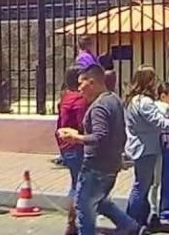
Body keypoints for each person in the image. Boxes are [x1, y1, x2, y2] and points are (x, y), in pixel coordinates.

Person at [57, 64, 143, 235]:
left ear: (92, 82)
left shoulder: (99, 107)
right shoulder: (114, 100)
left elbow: (100, 137)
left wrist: (76, 138)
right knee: (100, 200)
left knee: (84, 208)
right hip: (111, 164)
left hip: (96, 166)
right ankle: (129, 226)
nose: (79, 88)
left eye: (81, 83)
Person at [123, 66, 169, 226]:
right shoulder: (144, 102)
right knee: (141, 187)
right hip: (146, 148)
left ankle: (140, 219)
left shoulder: (133, 100)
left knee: (144, 184)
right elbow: (160, 122)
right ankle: (131, 222)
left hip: (140, 146)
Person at [56, 65, 88, 235]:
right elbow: (83, 125)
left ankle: (74, 222)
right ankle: (74, 222)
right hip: (76, 145)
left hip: (66, 146)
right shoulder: (79, 100)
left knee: (75, 183)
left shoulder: (65, 97)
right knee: (79, 185)